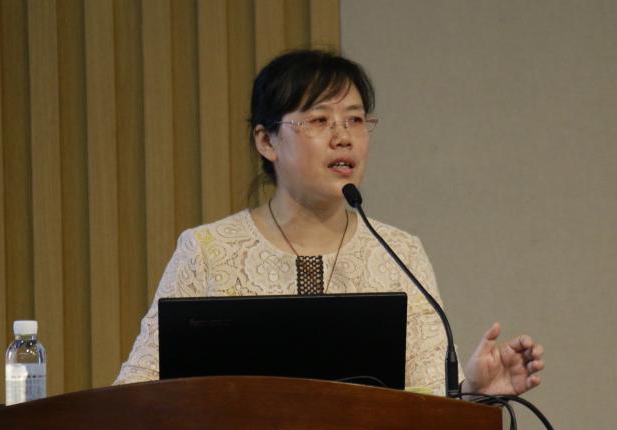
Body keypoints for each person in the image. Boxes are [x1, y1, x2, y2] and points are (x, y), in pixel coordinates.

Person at [113, 49, 544, 396]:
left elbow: (427, 398)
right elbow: (136, 393)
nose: (343, 136)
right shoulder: (208, 251)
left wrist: (472, 390)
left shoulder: (400, 253)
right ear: (266, 141)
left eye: (355, 119)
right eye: (320, 120)